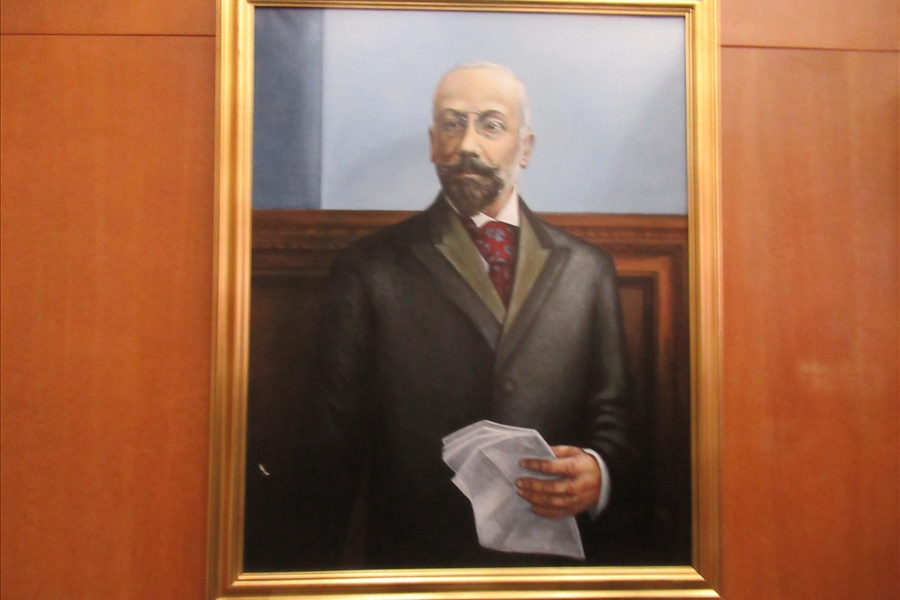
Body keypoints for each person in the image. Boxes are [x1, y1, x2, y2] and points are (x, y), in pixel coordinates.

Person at [288, 62, 633, 569]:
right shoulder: (369, 269)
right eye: (452, 124)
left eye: (491, 125)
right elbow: (328, 449)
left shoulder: (587, 270)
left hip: (552, 573)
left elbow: (617, 422)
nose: (467, 144)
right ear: (434, 144)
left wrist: (599, 472)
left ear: (525, 148)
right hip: (416, 566)